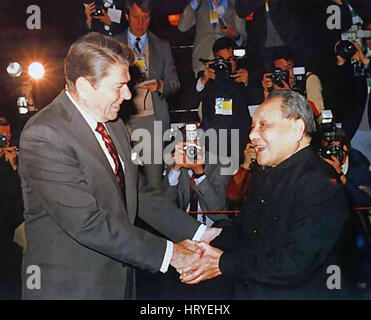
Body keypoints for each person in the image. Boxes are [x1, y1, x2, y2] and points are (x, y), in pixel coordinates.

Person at [18, 32, 221, 300]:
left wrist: (201, 233)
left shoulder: (113, 124)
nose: (127, 95)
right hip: (71, 288)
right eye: (118, 86)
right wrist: (173, 254)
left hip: (119, 281)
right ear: (84, 87)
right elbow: (88, 224)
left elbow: (138, 192)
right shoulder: (44, 135)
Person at [179, 90, 350, 299]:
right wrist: (202, 247)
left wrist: (223, 263)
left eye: (263, 125)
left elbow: (294, 263)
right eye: (252, 126)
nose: (252, 135)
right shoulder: (264, 173)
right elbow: (246, 230)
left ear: (297, 130)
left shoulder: (321, 185)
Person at [115, 0, 180, 190]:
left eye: (145, 18)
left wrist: (160, 84)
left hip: (152, 120)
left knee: (154, 181)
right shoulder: (113, 44)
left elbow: (175, 83)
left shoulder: (162, 46)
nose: (140, 23)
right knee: (123, 179)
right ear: (127, 16)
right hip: (121, 119)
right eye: (136, 17)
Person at [197, 37, 251, 165]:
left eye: (230, 59)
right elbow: (189, 100)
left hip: (239, 142)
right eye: (222, 60)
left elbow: (257, 100)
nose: (227, 64)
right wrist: (203, 81)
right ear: (215, 59)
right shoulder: (207, 77)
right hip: (213, 142)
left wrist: (248, 82)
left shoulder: (242, 77)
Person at [178, 0, 246, 75]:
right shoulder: (199, 4)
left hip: (227, 63)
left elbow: (243, 40)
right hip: (202, 61)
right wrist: (194, 3)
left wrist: (234, 34)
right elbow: (182, 27)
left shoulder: (235, 5)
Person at [261, 46, 325, 122]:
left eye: (288, 67)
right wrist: (267, 92)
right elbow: (267, 116)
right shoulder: (276, 84)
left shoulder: (308, 79)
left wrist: (290, 94)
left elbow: (316, 110)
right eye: (281, 70)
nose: (286, 73)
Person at [0, 112, 24, 299]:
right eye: (1, 137)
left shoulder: (11, 158)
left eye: (7, 137)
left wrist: (15, 166)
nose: (5, 141)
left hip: (11, 225)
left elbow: (21, 191)